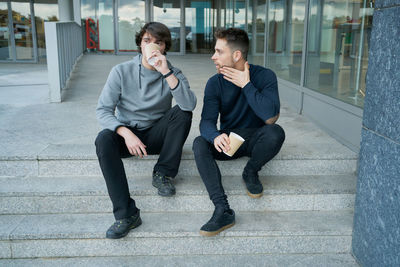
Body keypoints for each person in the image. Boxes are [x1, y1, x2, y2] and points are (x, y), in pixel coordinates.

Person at [95, 22, 196, 239]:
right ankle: (127, 214)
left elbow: (189, 105)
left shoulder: (173, 72)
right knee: (104, 139)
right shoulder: (121, 71)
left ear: (164, 47)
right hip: (129, 137)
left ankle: (163, 173)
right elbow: (103, 110)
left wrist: (166, 71)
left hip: (156, 135)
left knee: (182, 113)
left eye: (157, 42)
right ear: (140, 45)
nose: (151, 46)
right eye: (146, 41)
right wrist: (124, 131)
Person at [192, 28, 285, 237]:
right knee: (199, 142)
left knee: (275, 132)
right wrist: (215, 136)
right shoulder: (214, 82)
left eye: (218, 51)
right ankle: (222, 209)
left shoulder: (265, 76)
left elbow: (270, 117)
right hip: (228, 143)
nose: (212, 56)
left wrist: (246, 85)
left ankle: (250, 171)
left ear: (236, 55)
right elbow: (206, 121)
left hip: (255, 140)